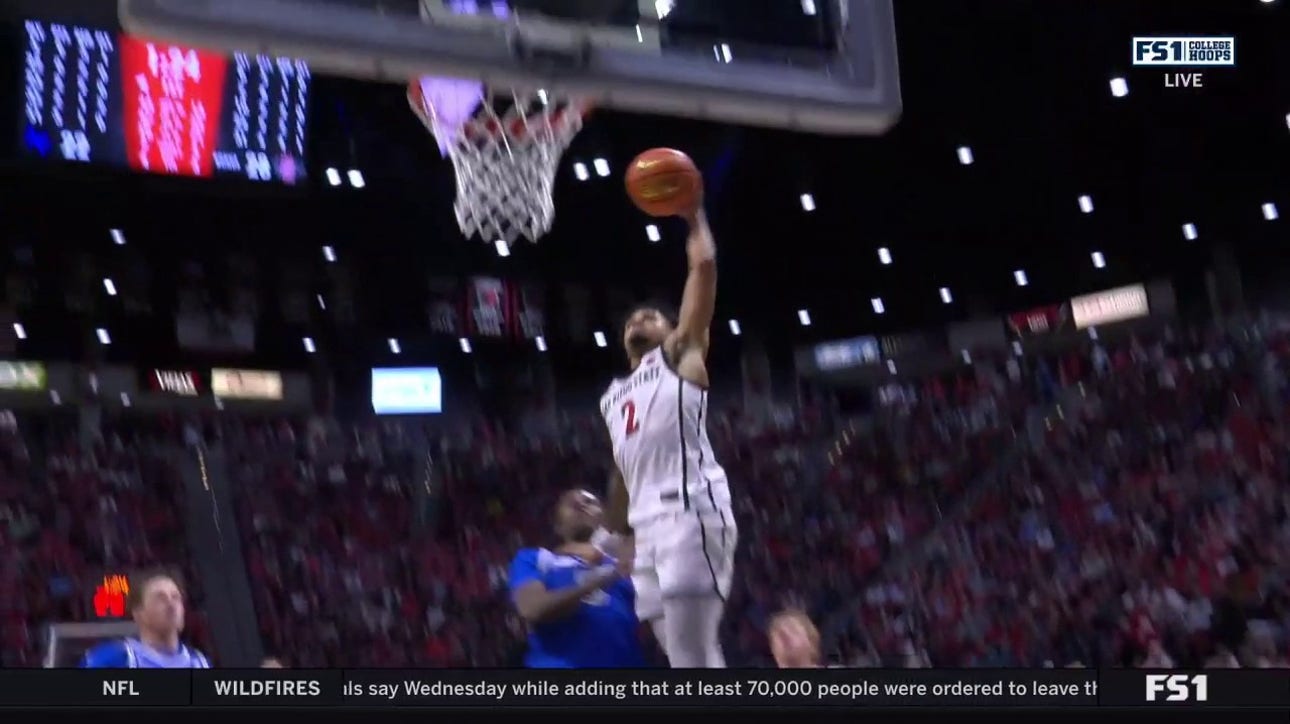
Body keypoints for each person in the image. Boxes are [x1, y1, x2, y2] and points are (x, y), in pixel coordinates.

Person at [598, 205, 737, 668]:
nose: (639, 319)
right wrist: (613, 534)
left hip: (689, 509)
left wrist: (695, 216)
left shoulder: (680, 354)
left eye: (652, 315)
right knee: (685, 657)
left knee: (692, 654)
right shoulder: (612, 397)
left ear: (673, 328)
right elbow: (622, 473)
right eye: (632, 319)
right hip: (647, 527)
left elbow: (704, 269)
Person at [508, 489, 644, 668]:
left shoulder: (629, 562)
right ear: (558, 526)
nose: (581, 503)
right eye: (571, 503)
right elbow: (533, 609)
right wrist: (606, 577)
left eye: (590, 501)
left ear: (605, 519)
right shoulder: (535, 559)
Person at [81, 571, 211, 668]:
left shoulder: (199, 662)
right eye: (160, 599)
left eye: (176, 597)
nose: (171, 605)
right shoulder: (114, 658)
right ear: (138, 614)